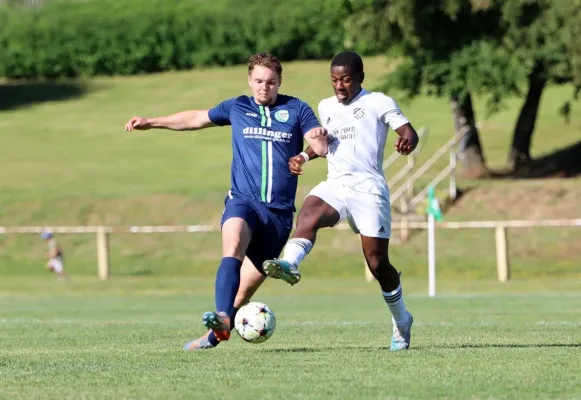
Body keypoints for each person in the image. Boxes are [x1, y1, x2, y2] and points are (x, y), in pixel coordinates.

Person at [124, 52, 328, 350]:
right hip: (243, 202)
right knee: (232, 244)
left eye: (271, 82)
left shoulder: (297, 108)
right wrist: (151, 122)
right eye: (258, 81)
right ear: (249, 80)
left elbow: (319, 144)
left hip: (279, 216)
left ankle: (215, 334)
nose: (264, 87)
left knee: (241, 296)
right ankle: (220, 317)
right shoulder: (237, 106)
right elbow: (195, 118)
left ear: (280, 82)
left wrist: (317, 141)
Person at [262, 51, 420, 351]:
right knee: (309, 211)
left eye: (346, 79)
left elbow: (408, 133)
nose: (339, 85)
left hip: (369, 188)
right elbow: (327, 144)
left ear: (361, 77)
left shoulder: (378, 102)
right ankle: (289, 263)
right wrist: (304, 155)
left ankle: (401, 320)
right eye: (334, 80)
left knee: (377, 263)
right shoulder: (326, 106)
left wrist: (407, 141)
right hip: (337, 183)